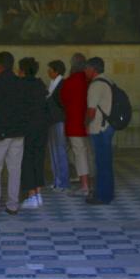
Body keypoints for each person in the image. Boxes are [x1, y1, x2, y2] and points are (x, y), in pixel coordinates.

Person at [0, 51, 28, 215]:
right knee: (15, 169)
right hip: (18, 132)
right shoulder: (21, 83)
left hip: (0, 132)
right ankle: (12, 205)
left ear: (0, 66)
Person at [18, 57, 50, 209]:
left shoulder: (21, 85)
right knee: (38, 158)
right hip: (42, 127)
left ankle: (31, 195)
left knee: (27, 160)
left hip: (27, 127)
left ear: (22, 70)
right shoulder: (40, 84)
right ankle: (38, 193)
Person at [84, 56, 116, 205]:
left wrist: (85, 124)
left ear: (93, 69)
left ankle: (102, 196)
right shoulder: (108, 81)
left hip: (99, 128)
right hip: (108, 126)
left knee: (101, 163)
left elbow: (91, 111)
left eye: (87, 68)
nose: (85, 71)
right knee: (106, 163)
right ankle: (108, 193)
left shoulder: (95, 85)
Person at [60, 52, 91, 196]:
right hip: (90, 122)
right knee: (87, 153)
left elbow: (63, 101)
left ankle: (84, 185)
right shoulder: (89, 81)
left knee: (79, 154)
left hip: (74, 123)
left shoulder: (69, 82)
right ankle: (87, 180)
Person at [46, 60, 70, 192]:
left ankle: (64, 182)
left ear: (56, 71)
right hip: (51, 120)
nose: (48, 72)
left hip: (59, 120)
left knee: (60, 151)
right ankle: (57, 180)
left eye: (50, 69)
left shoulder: (63, 84)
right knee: (53, 152)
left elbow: (63, 103)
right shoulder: (51, 84)